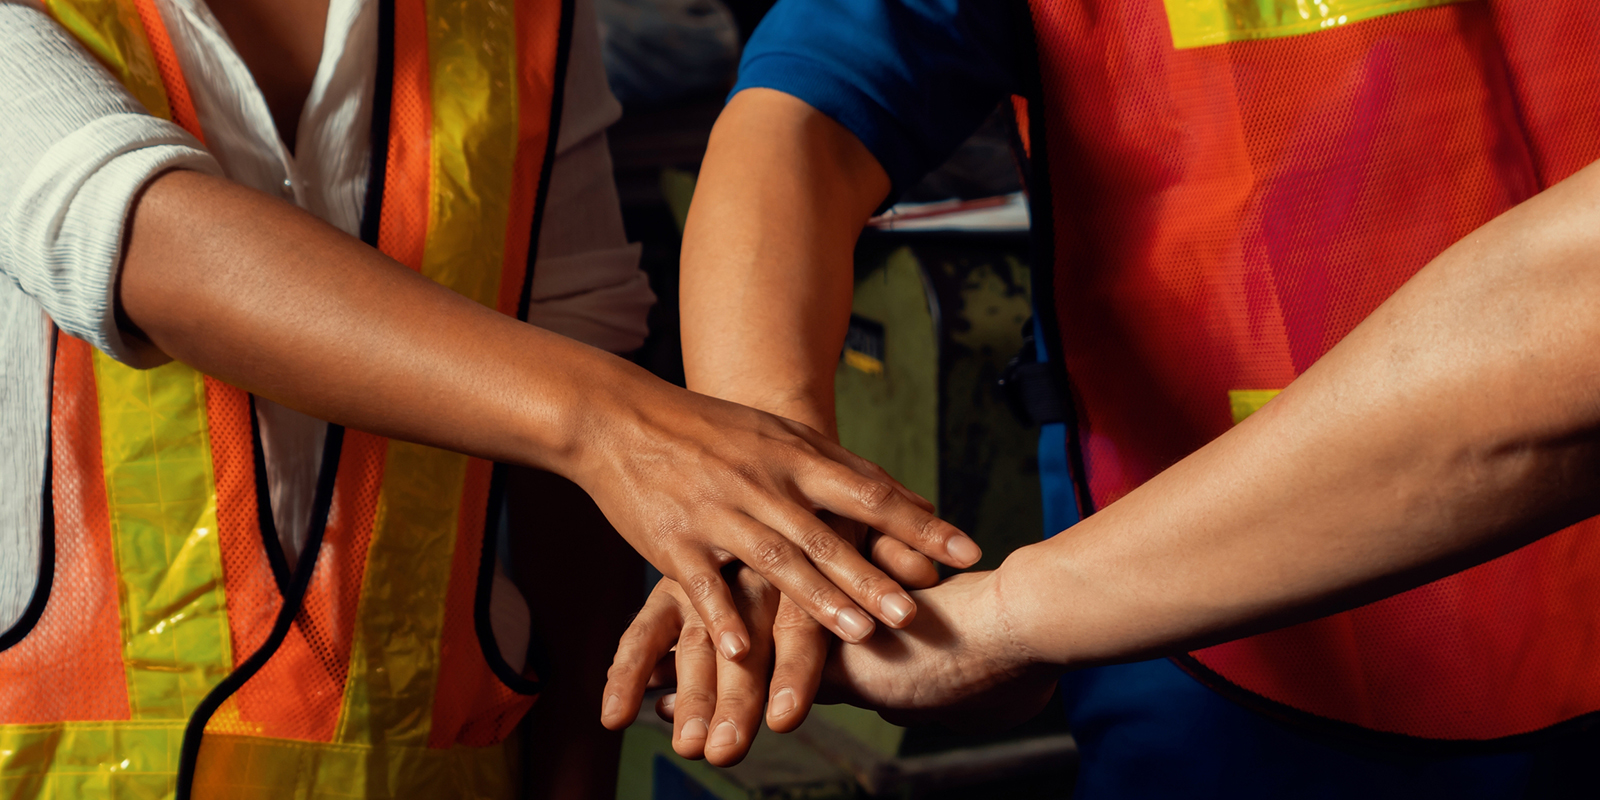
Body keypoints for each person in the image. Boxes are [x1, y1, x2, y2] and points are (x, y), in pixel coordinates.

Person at [601, 0, 1600, 795]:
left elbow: (1563, 325)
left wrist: (1009, 616)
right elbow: (807, 111)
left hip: (1142, 599)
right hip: (1209, 652)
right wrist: (775, 484)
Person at [0, 0, 982, 797]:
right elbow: (125, 229)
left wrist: (577, 767)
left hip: (431, 765)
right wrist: (616, 427)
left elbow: (580, 358)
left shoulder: (520, 17)